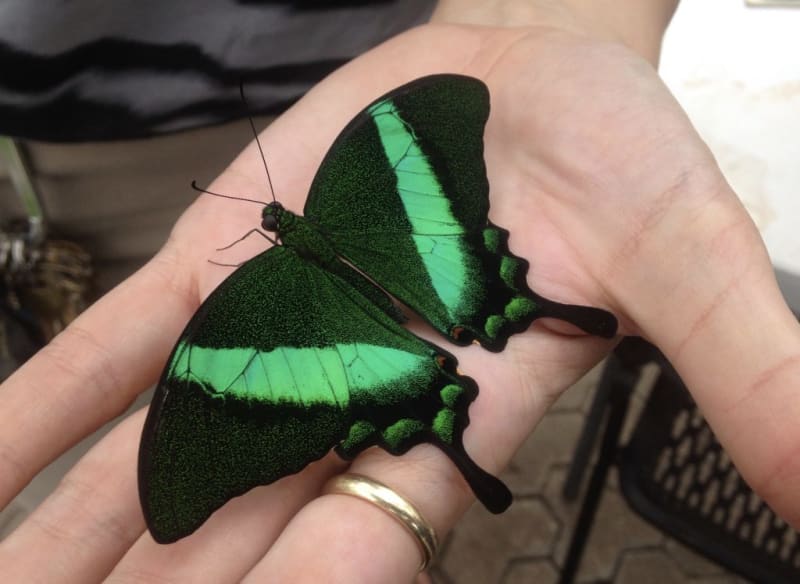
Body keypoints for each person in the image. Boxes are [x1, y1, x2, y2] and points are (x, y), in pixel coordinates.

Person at [1, 0, 799, 582]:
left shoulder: (247, 300)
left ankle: (444, 410)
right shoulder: (363, 160)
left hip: (310, 85)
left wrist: (545, 19)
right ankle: (504, 325)